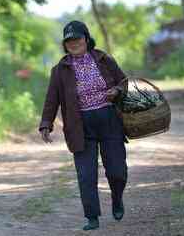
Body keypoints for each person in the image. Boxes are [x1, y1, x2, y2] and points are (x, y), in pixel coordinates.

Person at [39, 20, 128, 230]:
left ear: (86, 39)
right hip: (79, 126)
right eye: (68, 40)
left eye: (77, 38)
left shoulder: (104, 59)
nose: (73, 43)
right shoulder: (60, 69)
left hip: (109, 121)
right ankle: (92, 217)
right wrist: (46, 124)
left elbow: (123, 81)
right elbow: (52, 99)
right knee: (86, 175)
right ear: (65, 44)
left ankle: (117, 197)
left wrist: (116, 91)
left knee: (117, 171)